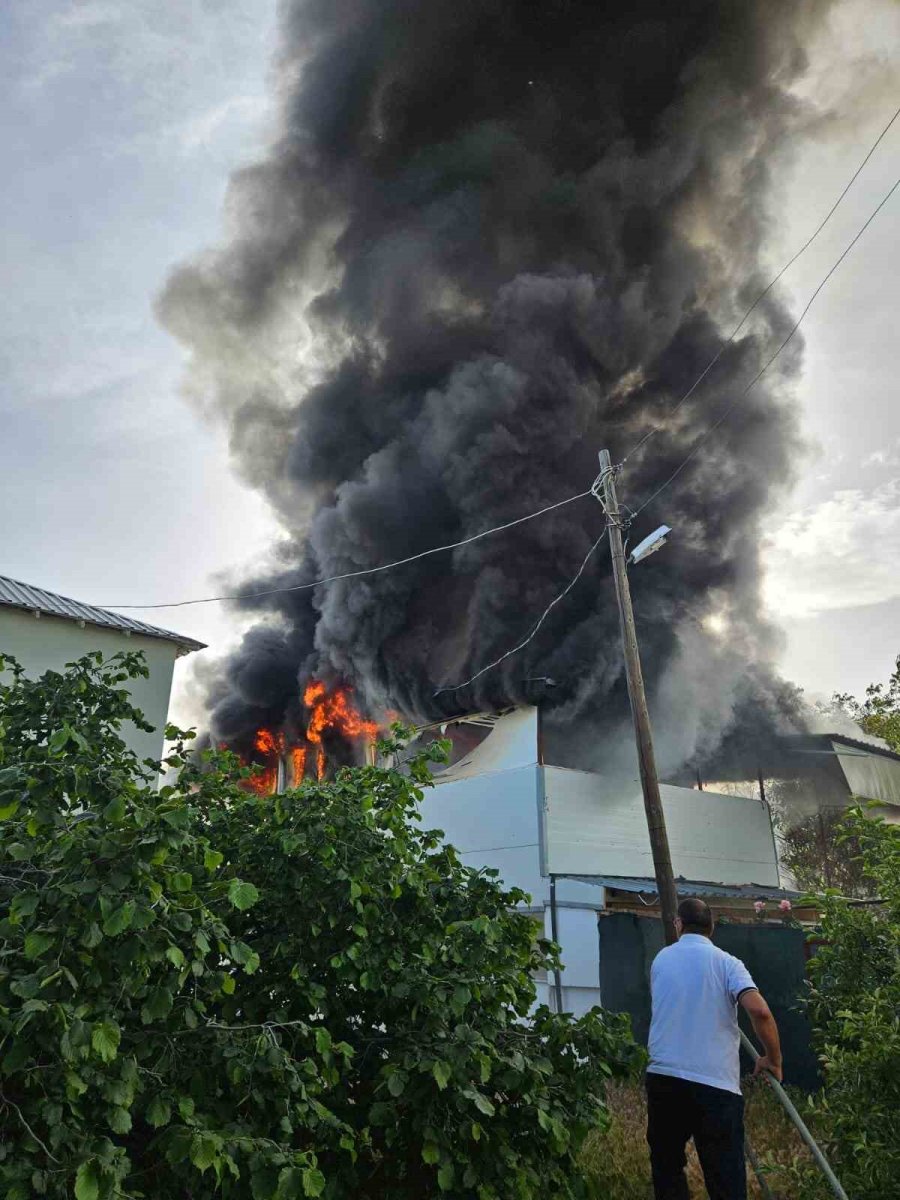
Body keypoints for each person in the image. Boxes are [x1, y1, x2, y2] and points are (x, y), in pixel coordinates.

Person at [645, 897, 783, 1200]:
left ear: (678, 925)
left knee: (667, 1168)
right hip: (714, 1085)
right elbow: (759, 1011)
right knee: (725, 1178)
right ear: (712, 927)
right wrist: (773, 1060)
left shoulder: (661, 960)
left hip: (664, 1078)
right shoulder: (728, 963)